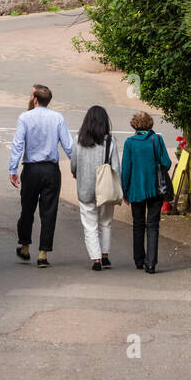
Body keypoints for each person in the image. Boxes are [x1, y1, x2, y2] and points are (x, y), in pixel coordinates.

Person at [9, 83, 73, 268]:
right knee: (49, 211)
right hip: (51, 170)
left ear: (35, 99)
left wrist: (13, 169)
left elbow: (18, 144)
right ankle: (43, 253)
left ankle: (25, 246)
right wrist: (76, 166)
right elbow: (68, 145)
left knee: (27, 209)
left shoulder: (25, 118)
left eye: (31, 95)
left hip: (32, 169)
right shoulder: (58, 117)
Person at [71, 105, 119, 271]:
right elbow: (116, 168)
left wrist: (78, 175)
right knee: (105, 222)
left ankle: (96, 259)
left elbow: (74, 164)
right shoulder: (110, 141)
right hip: (105, 188)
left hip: (85, 188)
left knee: (90, 225)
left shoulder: (79, 139)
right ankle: (105, 255)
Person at [120, 111, 170, 273]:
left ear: (134, 124)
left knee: (138, 224)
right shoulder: (157, 139)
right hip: (156, 188)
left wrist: (125, 191)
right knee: (153, 225)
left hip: (136, 190)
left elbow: (126, 170)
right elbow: (167, 163)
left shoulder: (130, 143)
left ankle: (139, 260)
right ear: (150, 124)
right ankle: (151, 263)